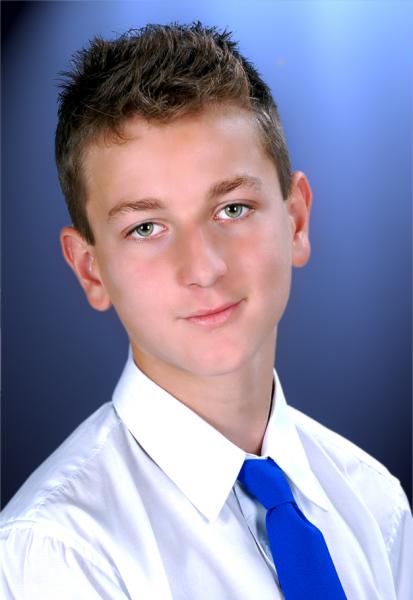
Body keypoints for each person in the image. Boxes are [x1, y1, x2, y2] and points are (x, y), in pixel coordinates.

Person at [0, 22, 412, 600]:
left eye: (232, 209)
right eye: (147, 228)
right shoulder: (59, 553)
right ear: (91, 270)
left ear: (295, 222)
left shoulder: (375, 504)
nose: (203, 267)